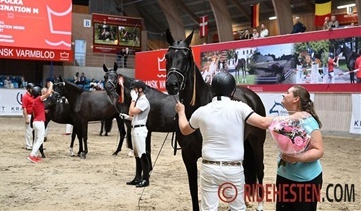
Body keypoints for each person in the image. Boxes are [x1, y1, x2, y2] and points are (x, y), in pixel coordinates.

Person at [175, 72, 274, 211]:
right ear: (233, 91)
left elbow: (185, 129)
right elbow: (264, 123)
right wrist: (291, 117)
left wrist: (181, 112)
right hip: (233, 169)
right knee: (237, 208)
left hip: (209, 168)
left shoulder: (201, 111)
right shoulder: (240, 107)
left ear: (212, 90)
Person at [276, 85, 324, 211]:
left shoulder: (307, 121)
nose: (283, 95)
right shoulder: (287, 120)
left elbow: (319, 150)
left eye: (287, 93)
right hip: (284, 177)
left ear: (295, 99)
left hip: (305, 181)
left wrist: (297, 157)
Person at [126, 80, 151, 188]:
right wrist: (127, 117)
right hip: (135, 128)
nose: (134, 91)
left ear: (140, 89)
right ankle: (137, 177)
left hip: (140, 130)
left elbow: (132, 111)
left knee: (142, 154)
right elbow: (131, 114)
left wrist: (133, 99)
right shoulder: (139, 101)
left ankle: (145, 179)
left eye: (135, 89)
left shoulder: (143, 101)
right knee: (137, 155)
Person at [28, 82, 53, 163]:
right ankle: (32, 155)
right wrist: (51, 85)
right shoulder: (38, 99)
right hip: (39, 122)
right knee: (40, 140)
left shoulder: (34, 101)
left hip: (35, 122)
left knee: (36, 139)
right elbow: (48, 93)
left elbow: (35, 113)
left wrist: (42, 111)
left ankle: (34, 155)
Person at [22, 83, 35, 150]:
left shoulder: (33, 96)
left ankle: (33, 144)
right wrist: (26, 118)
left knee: (34, 130)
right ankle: (28, 145)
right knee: (28, 131)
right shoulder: (25, 97)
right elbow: (24, 108)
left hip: (34, 115)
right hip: (29, 115)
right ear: (28, 89)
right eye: (32, 88)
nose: (33, 89)